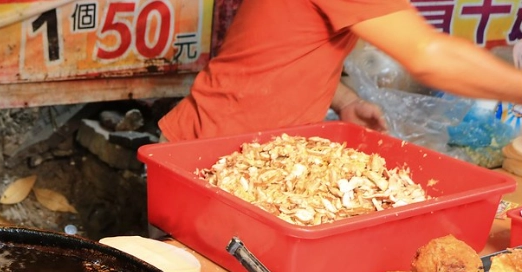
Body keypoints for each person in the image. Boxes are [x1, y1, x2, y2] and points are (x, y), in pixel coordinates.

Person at [158, 1, 522, 142]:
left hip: (242, 149)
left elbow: (282, 49)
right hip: (211, 155)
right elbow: (429, 55)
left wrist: (345, 100)